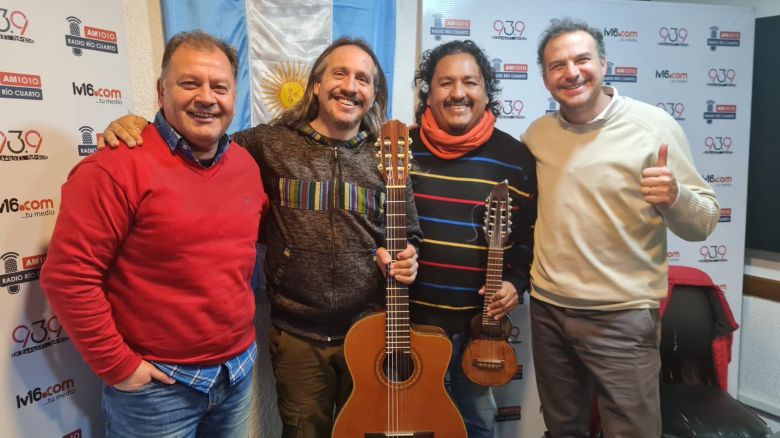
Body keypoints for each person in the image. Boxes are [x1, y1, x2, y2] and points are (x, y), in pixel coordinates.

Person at [99, 38, 422, 438]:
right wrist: (137, 124)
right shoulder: (268, 143)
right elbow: (197, 143)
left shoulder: (387, 156)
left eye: (363, 79)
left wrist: (409, 255)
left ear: (374, 94)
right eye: (339, 73)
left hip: (371, 332)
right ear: (317, 85)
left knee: (370, 430)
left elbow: (409, 234)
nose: (351, 86)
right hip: (298, 337)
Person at [40, 31, 269, 437]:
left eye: (220, 86)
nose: (206, 97)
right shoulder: (114, 168)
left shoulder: (247, 166)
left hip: (236, 373)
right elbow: (68, 276)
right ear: (162, 90)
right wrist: (120, 368)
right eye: (189, 83)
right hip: (157, 391)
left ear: (235, 97)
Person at [523, 18, 720, 438]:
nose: (571, 72)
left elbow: (704, 222)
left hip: (623, 317)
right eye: (557, 65)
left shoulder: (654, 127)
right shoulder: (537, 135)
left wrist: (675, 197)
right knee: (562, 429)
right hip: (548, 312)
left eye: (582, 59)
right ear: (545, 78)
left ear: (604, 63)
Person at [409, 39, 537, 437]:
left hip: (481, 331)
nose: (458, 93)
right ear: (428, 93)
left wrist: (517, 284)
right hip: (409, 324)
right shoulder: (399, 150)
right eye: (445, 82)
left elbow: (532, 238)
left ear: (486, 92)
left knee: (477, 424)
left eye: (470, 82)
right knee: (412, 422)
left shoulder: (516, 158)